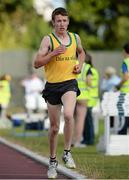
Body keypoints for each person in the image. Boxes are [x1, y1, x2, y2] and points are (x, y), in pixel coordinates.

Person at [34, 7, 85, 179]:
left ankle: (67, 152)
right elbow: (36, 63)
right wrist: (53, 54)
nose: (62, 24)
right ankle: (53, 161)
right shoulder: (48, 40)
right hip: (52, 86)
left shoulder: (74, 37)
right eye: (58, 21)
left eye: (64, 20)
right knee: (55, 128)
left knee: (69, 115)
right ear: (53, 23)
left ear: (68, 22)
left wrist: (80, 65)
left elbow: (81, 52)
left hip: (69, 83)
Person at [73, 53, 91, 147]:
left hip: (71, 94)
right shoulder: (86, 67)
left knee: (71, 119)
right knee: (80, 120)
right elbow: (89, 81)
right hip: (83, 96)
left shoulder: (70, 63)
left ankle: (71, 140)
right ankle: (78, 142)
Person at [81, 54, 100, 145]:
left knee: (87, 120)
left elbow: (89, 83)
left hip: (88, 97)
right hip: (92, 97)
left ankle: (89, 139)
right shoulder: (94, 70)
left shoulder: (89, 71)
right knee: (87, 120)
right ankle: (87, 138)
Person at [115, 43, 129, 134]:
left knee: (124, 112)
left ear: (125, 51)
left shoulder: (126, 62)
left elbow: (125, 77)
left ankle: (123, 130)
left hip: (126, 91)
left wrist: (118, 86)